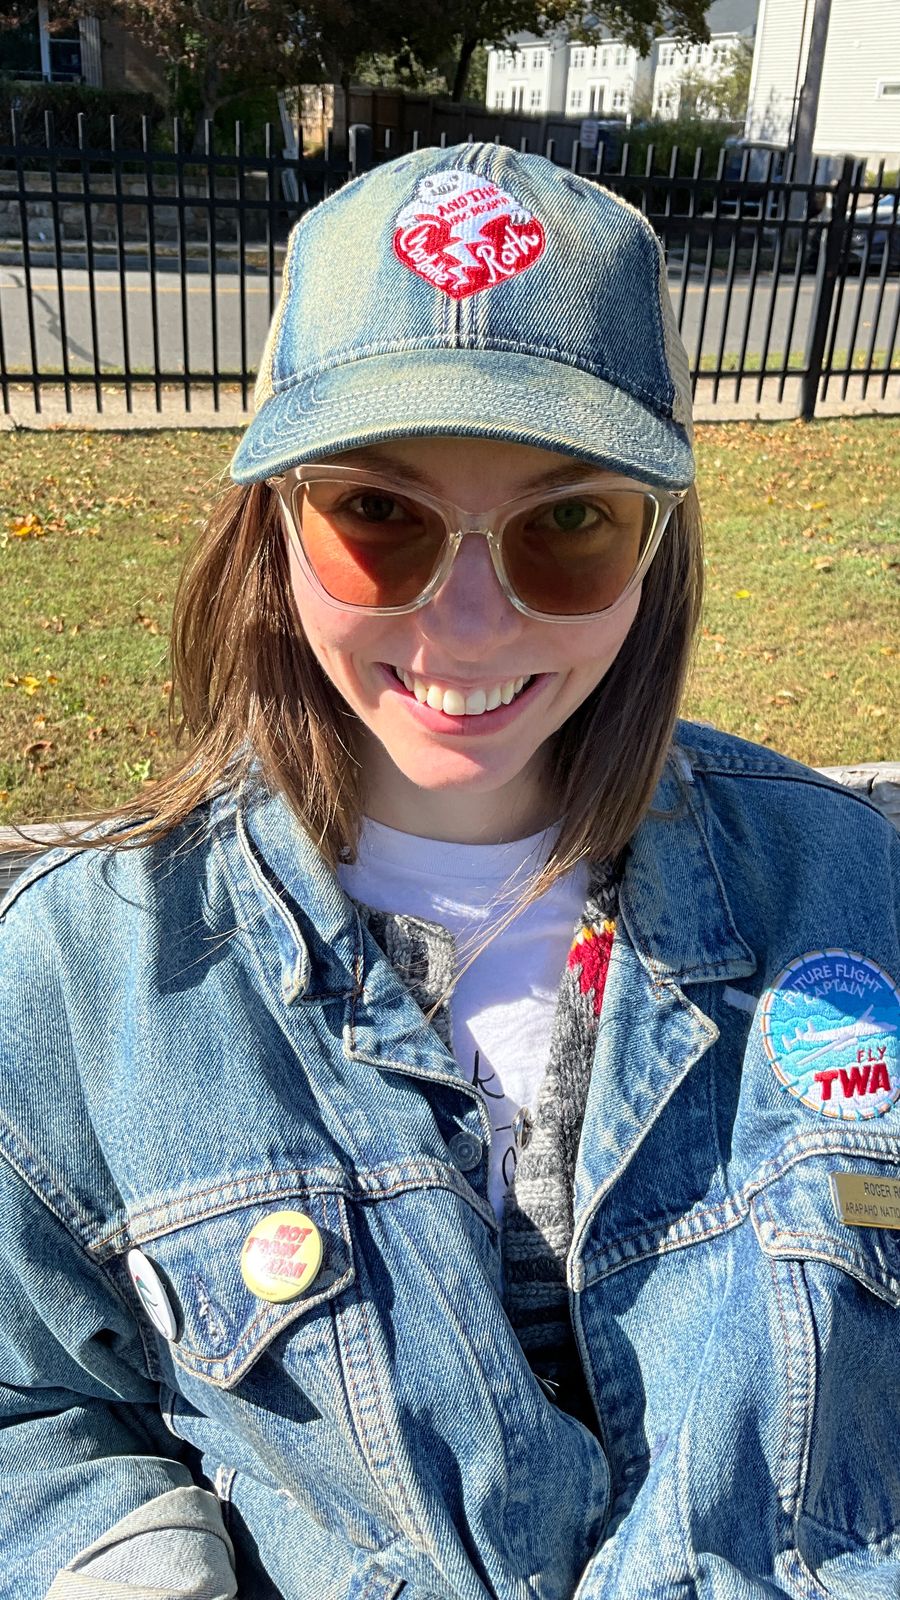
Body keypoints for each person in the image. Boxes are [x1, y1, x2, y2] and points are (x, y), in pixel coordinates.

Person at [1, 142, 898, 1600]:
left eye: (567, 523)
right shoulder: (82, 979)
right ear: (275, 521)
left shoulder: (853, 890)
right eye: (379, 513)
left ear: (655, 544)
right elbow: (29, 1405)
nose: (466, 623)